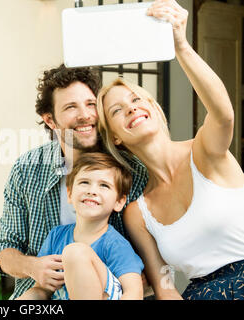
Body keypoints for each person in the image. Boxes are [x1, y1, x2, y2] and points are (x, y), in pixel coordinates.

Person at [96, 0, 244, 300]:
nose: (131, 108)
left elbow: (224, 115)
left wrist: (181, 47)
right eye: (117, 109)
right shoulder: (138, 213)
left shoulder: (204, 149)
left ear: (153, 106)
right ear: (115, 136)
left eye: (137, 99)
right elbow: (164, 285)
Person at [0, 64, 148, 299]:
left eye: (90, 104)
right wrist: (34, 267)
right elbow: (5, 251)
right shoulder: (27, 169)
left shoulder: (131, 171)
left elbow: (147, 267)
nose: (85, 115)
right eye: (70, 107)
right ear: (50, 120)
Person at [16, 152, 144, 300]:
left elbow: (134, 292)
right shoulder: (56, 236)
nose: (92, 191)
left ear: (119, 202)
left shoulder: (116, 244)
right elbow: (41, 290)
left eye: (104, 185)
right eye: (84, 182)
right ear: (69, 194)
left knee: (75, 253)